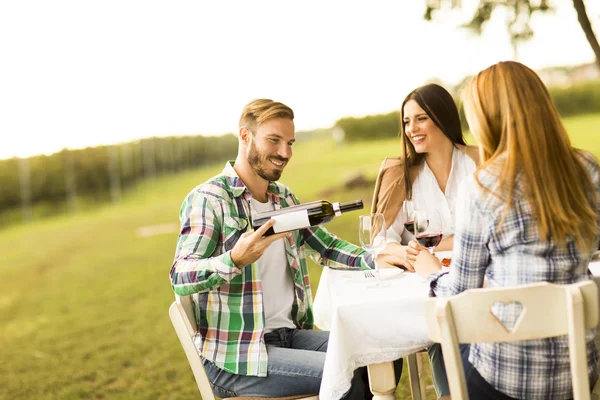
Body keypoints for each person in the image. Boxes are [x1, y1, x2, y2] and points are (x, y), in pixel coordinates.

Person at [169, 99, 402, 399]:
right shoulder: (209, 200)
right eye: (274, 140)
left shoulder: (283, 198)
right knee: (344, 373)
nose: (285, 153)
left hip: (289, 336)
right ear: (245, 136)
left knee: (383, 354)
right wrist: (235, 259)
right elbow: (180, 275)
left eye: (290, 142)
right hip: (238, 357)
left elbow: (326, 247)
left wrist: (378, 257)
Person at [413, 61, 600, 399]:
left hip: (505, 381)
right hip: (578, 372)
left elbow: (460, 290)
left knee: (449, 352)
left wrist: (429, 272)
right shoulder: (588, 168)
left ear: (487, 118)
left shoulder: (484, 185)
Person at [371, 83, 479, 398]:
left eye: (420, 119)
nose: (411, 129)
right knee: (442, 328)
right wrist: (404, 251)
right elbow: (380, 241)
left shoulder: (479, 162)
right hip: (425, 287)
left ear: (443, 118)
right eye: (406, 122)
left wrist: (437, 246)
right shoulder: (400, 175)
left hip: (478, 279)